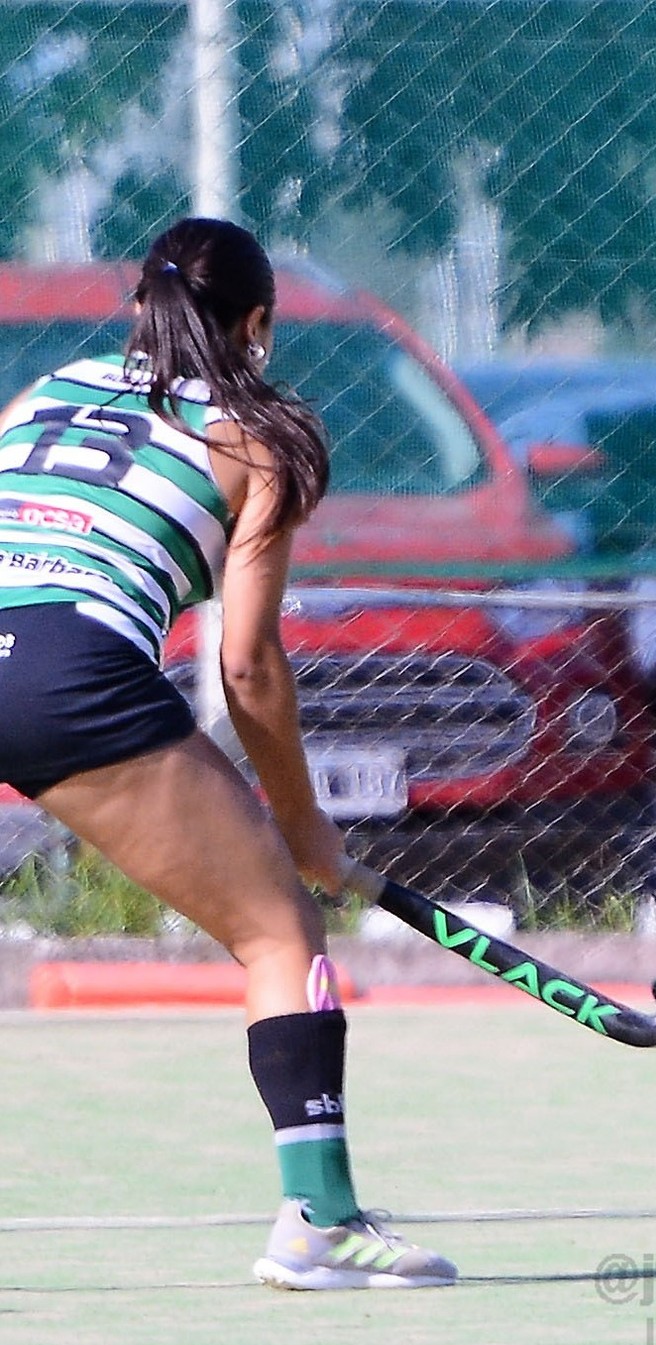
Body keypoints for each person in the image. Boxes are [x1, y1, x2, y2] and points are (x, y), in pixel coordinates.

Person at [0, 217, 457, 1290]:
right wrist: (302, 828)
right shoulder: (262, 434)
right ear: (257, 326)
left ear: (138, 312)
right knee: (275, 931)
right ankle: (323, 1223)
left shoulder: (46, 390)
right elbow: (245, 665)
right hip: (65, 666)